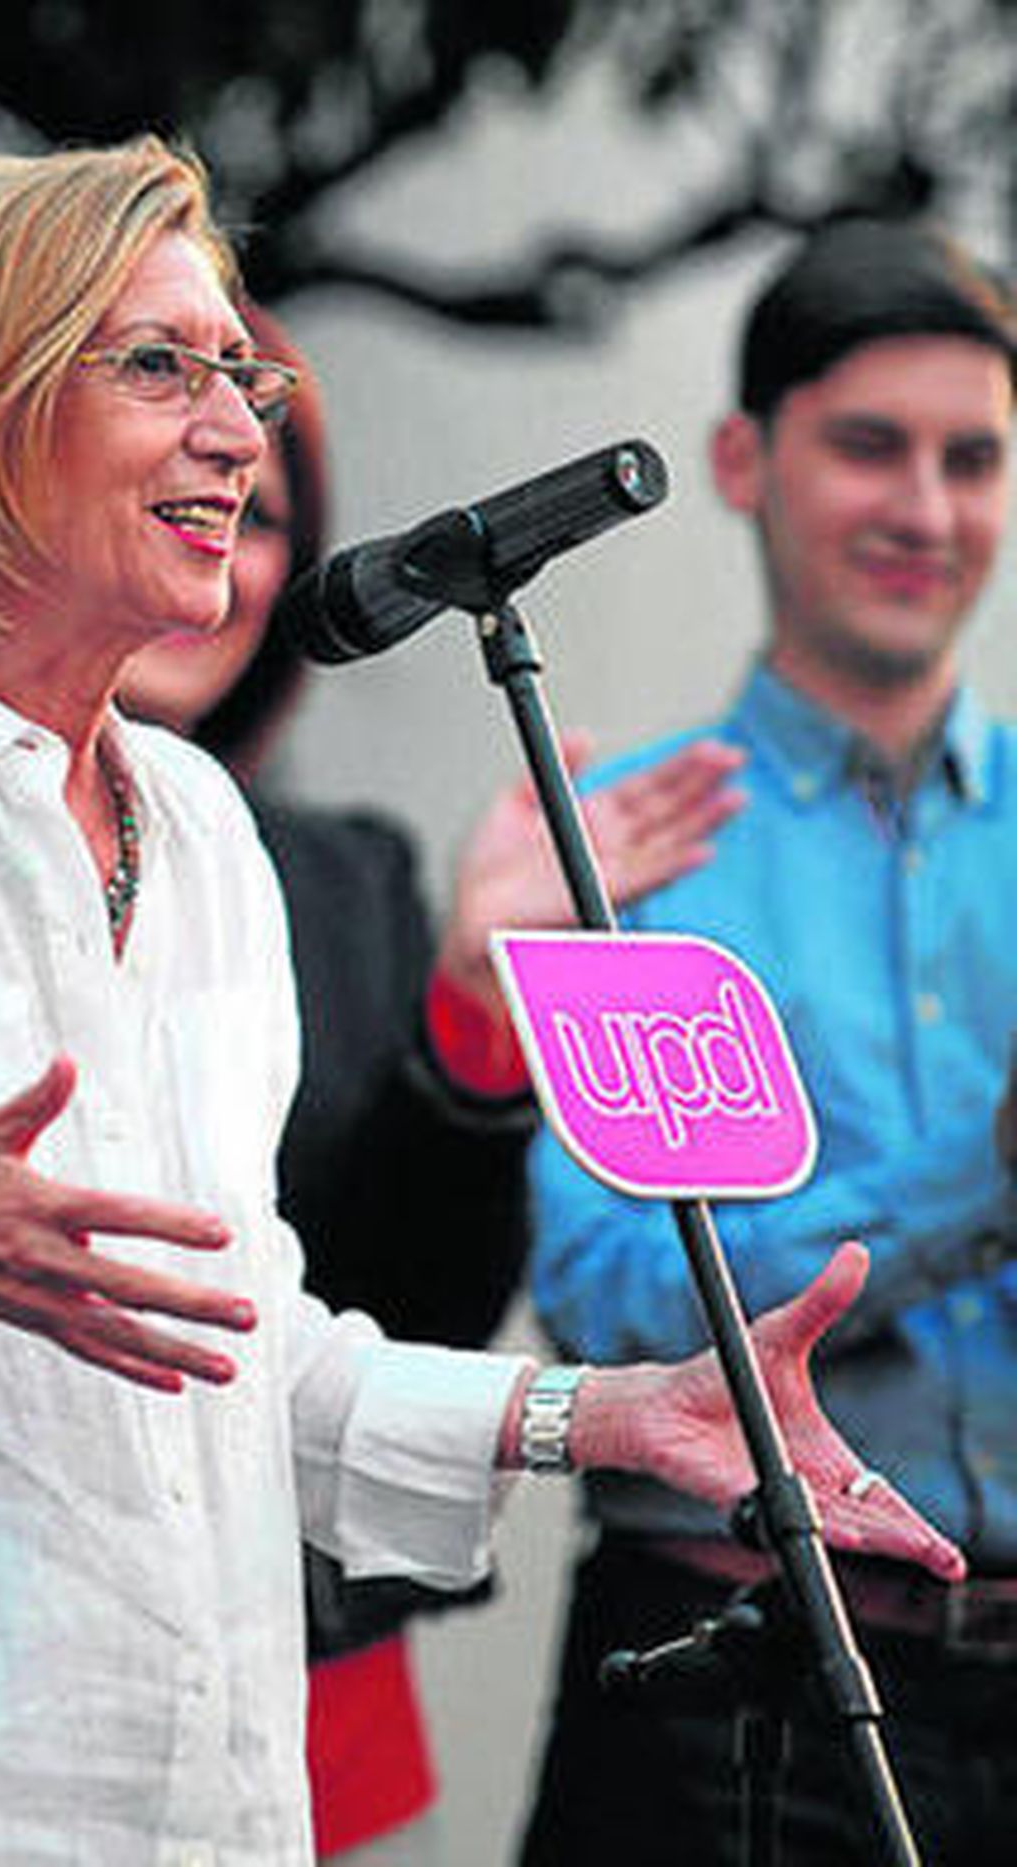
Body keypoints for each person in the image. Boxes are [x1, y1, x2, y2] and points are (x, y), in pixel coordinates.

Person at [0, 141, 962, 1866]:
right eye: (159, 368)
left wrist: (610, 1414)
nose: (236, 428)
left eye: (243, 375)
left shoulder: (202, 834)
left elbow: (254, 1352)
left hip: (216, 1812)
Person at [118, 304, 748, 1862]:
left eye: (270, 517)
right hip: (9, 1681)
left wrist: (473, 1007)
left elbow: (407, 1314)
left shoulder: (343, 881)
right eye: (194, 490)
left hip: (307, 1684)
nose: (228, 544)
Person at [519, 216, 1017, 1867]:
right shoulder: (626, 848)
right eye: (871, 447)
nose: (927, 511)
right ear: (743, 459)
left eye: (975, 459)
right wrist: (986, 1175)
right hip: (734, 1695)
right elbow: (606, 1291)